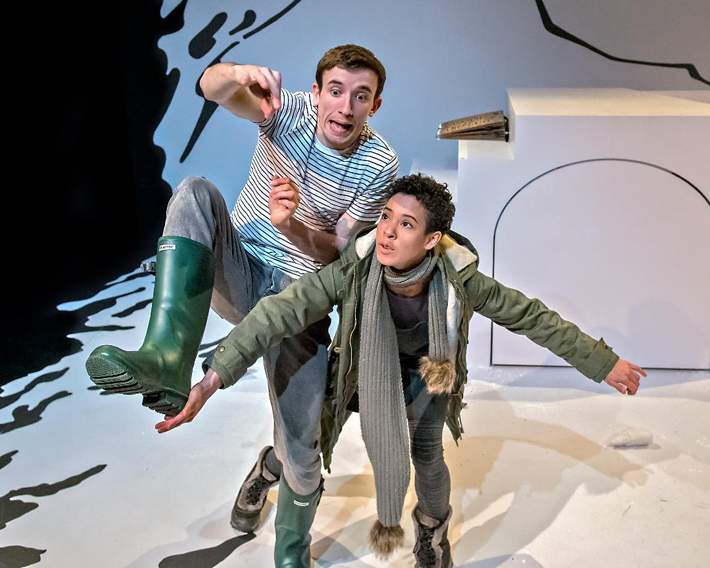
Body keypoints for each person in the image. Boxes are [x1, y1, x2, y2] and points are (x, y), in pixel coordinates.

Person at [155, 174, 646, 567]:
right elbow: (278, 312)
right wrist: (214, 377)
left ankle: (431, 532)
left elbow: (532, 317)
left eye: (406, 224)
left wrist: (603, 362)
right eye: (386, 216)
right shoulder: (356, 268)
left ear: (433, 240)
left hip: (425, 374)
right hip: (361, 367)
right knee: (307, 438)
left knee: (427, 454)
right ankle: (270, 467)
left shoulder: (461, 280)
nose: (387, 232)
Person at [85, 44, 399, 537]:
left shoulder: (379, 162)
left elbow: (339, 253)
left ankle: (287, 534)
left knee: (303, 448)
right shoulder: (289, 111)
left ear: (374, 105)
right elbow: (212, 88)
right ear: (316, 92)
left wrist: (291, 225)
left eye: (361, 96)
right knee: (193, 192)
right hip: (242, 271)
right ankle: (166, 358)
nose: (345, 107)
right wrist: (238, 72)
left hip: (299, 300)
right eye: (336, 91)